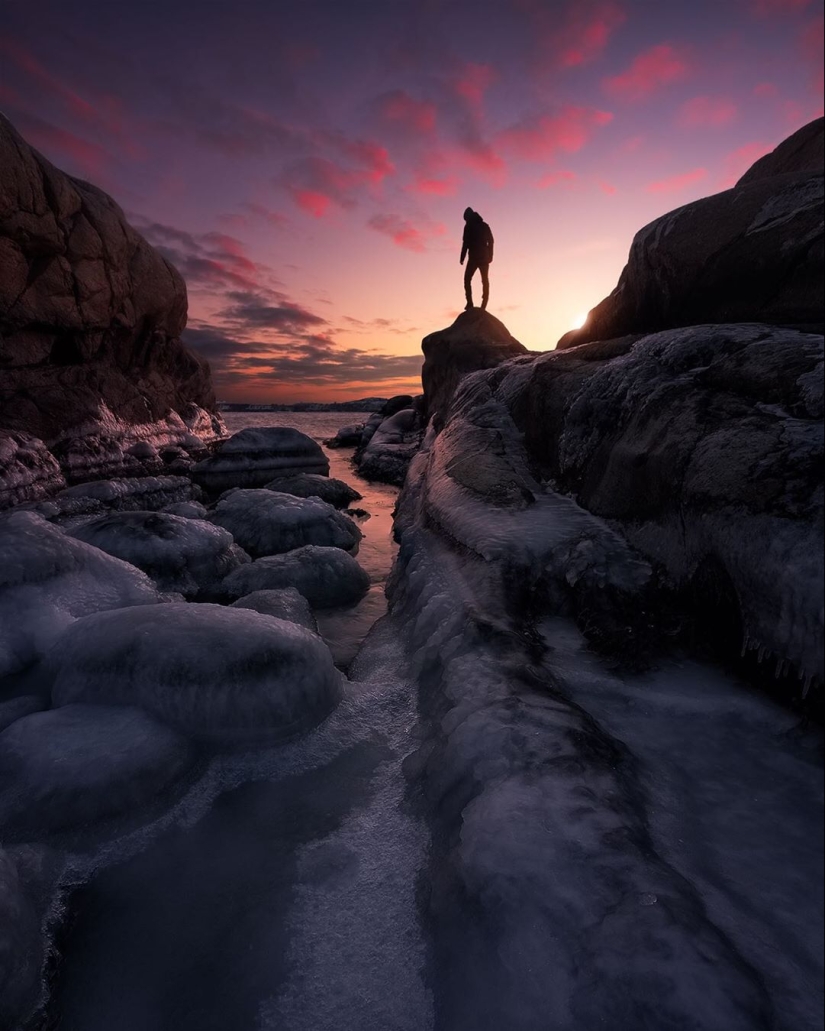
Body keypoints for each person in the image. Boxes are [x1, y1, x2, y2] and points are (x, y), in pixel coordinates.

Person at [460, 207, 494, 311]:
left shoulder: (468, 226)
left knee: (467, 279)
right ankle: (483, 304)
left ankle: (470, 303)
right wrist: (490, 255)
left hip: (474, 258)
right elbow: (491, 241)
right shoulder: (484, 226)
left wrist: (462, 257)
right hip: (483, 257)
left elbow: (465, 243)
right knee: (484, 280)